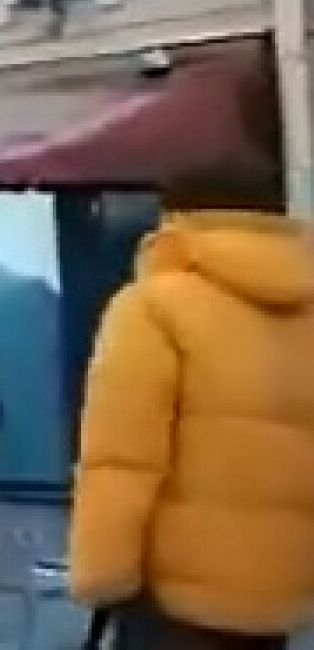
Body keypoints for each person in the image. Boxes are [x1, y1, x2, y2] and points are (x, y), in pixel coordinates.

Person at [70, 176, 314, 650]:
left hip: (173, 604)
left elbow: (122, 461)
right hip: (275, 598)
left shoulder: (154, 306)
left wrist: (103, 576)